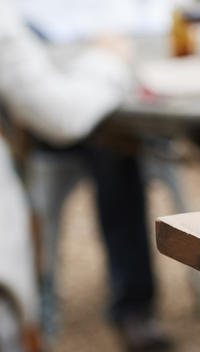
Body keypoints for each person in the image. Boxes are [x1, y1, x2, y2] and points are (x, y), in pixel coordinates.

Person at [0, 0, 171, 350]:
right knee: (111, 145)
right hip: (49, 112)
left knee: (113, 146)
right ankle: (129, 307)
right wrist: (107, 59)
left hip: (66, 96)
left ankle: (131, 306)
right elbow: (61, 115)